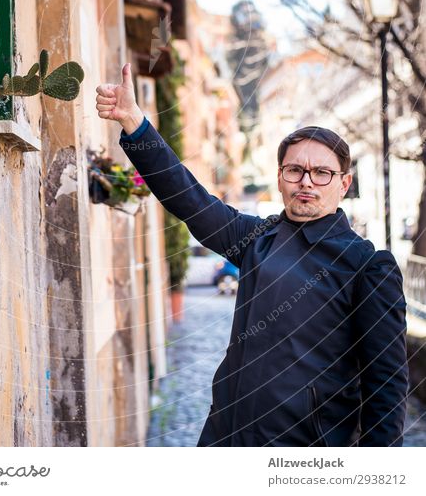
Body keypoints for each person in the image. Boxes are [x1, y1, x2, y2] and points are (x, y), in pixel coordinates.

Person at [95, 63, 409, 447]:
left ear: (344, 183)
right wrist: (134, 122)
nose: (307, 180)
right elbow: (189, 199)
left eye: (322, 173)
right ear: (280, 178)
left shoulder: (367, 265)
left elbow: (387, 389)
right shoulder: (256, 238)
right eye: (295, 170)